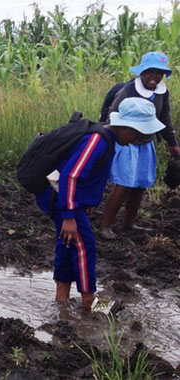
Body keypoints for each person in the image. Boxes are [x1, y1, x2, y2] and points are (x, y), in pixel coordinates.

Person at [36, 98, 164, 312]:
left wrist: (88, 201)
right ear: (125, 127)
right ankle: (90, 303)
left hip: (68, 198)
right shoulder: (98, 141)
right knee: (85, 247)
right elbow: (71, 175)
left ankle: (62, 298)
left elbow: (93, 175)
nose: (139, 139)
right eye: (137, 133)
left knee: (68, 244)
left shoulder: (109, 140)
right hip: (62, 198)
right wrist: (68, 216)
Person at [100, 52, 180, 239]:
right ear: (142, 72)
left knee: (140, 186)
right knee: (124, 185)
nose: (154, 76)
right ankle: (105, 226)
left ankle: (129, 223)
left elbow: (165, 119)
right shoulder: (128, 90)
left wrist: (173, 143)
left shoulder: (162, 92)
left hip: (145, 144)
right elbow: (113, 116)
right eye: (150, 71)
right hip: (127, 144)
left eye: (159, 72)